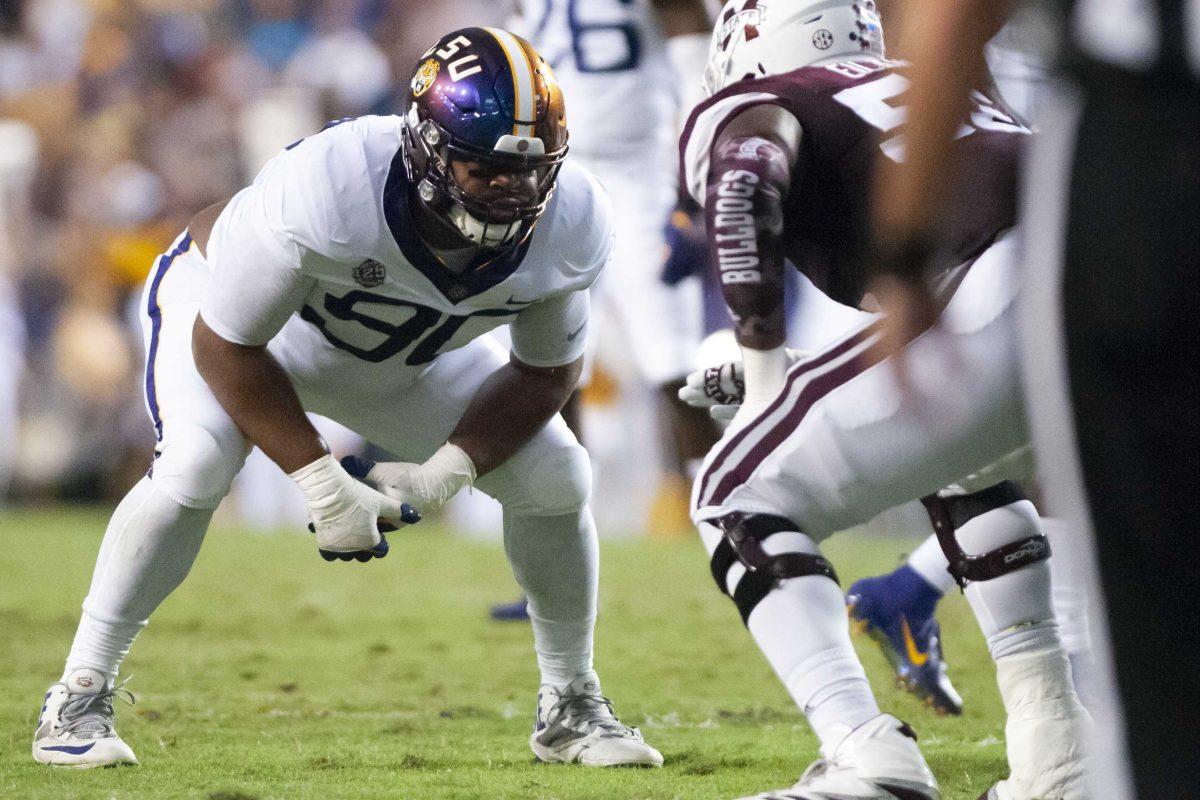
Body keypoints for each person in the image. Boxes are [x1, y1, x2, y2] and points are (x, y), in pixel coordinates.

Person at [32, 27, 663, 770]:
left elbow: (545, 372)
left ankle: (571, 703)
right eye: (485, 167)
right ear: (426, 144)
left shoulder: (574, 218)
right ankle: (79, 691)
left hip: (403, 357)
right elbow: (227, 346)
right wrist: (322, 484)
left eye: (530, 172)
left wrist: (446, 473)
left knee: (559, 477)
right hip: (247, 328)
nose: (512, 190)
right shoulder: (335, 182)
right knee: (197, 465)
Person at [678, 1, 1089, 797]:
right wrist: (801, 367)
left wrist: (766, 378)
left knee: (738, 489)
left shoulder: (761, 98)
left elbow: (741, 188)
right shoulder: (951, 87)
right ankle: (1058, 755)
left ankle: (867, 758)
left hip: (1006, 290)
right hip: (1116, 284)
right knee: (961, 460)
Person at [866, 0, 1200, 796]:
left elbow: (952, 16)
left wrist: (906, 251)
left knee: (1147, 582)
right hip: (1127, 142)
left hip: (1139, 158)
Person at [489, 0, 717, 623]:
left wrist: (691, 180)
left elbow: (698, 54)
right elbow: (513, 64)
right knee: (547, 372)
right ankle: (556, 565)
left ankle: (738, 535)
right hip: (555, 177)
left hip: (642, 175)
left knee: (675, 368)